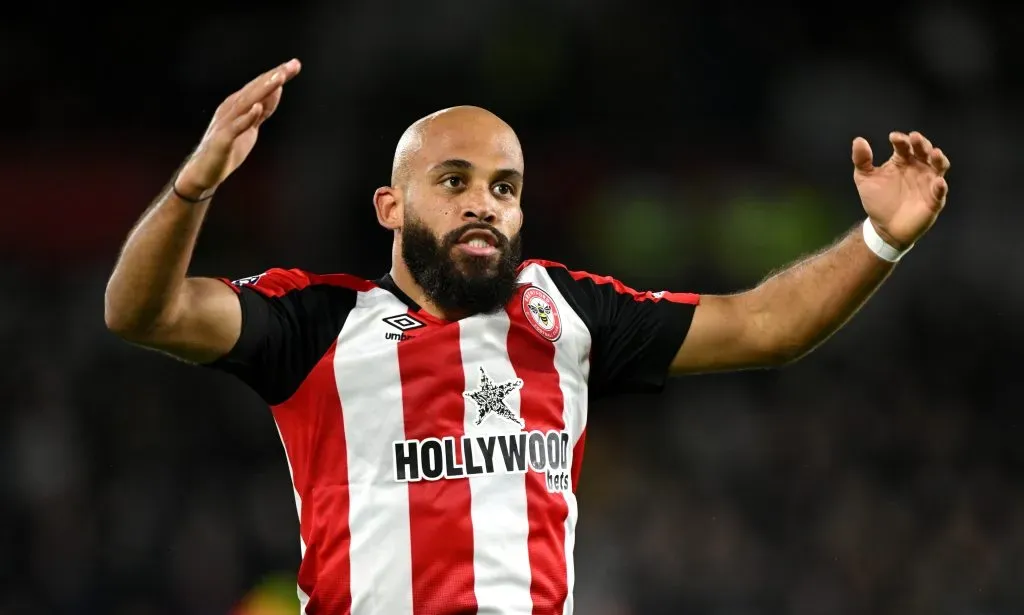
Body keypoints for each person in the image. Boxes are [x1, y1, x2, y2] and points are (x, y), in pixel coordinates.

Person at [104, 59, 952, 614]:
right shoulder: (316, 323)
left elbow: (766, 325)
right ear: (389, 208)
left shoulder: (565, 314)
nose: (484, 201)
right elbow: (141, 312)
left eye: (504, 186)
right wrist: (194, 184)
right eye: (455, 180)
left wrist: (882, 239)